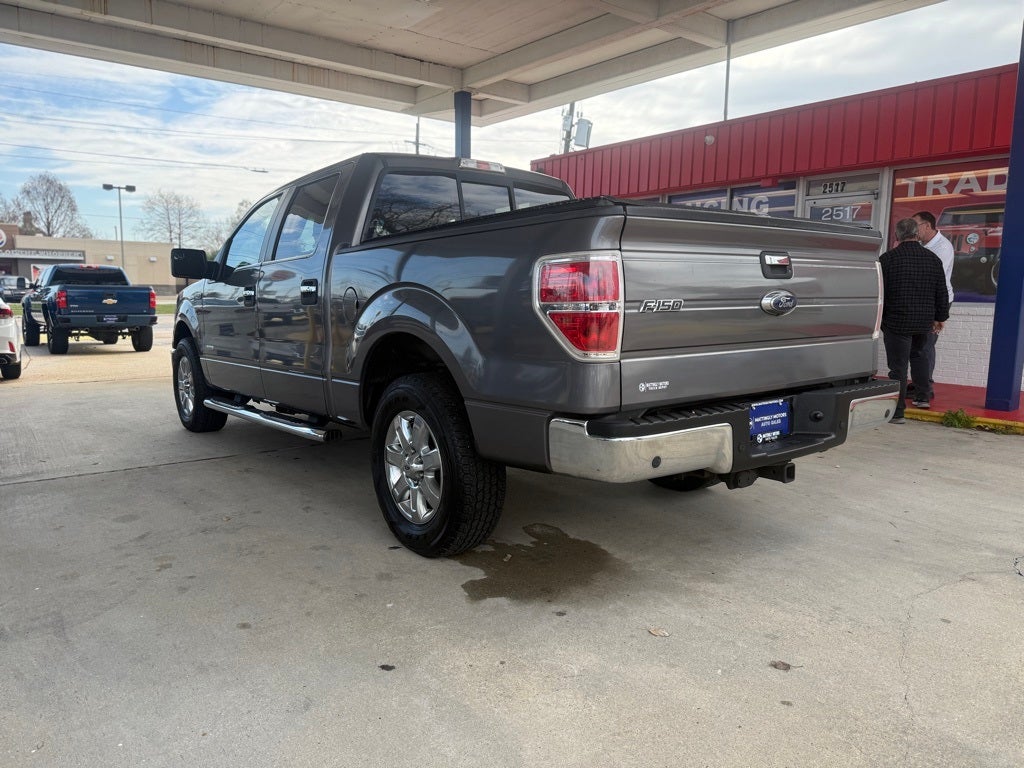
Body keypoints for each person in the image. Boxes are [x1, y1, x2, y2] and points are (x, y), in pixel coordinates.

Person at [879, 218, 950, 423]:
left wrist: (881, 319)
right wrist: (940, 317)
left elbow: (881, 293)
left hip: (897, 322)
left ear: (897, 236)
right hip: (924, 322)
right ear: (917, 234)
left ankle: (898, 412)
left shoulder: (888, 259)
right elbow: (941, 291)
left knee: (898, 368)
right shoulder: (932, 259)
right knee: (920, 358)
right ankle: (922, 397)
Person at [912, 210, 955, 390]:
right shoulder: (923, 245)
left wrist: (938, 314)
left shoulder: (942, 248)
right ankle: (919, 382)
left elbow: (933, 280)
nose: (913, 231)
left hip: (935, 301)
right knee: (918, 346)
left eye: (916, 226)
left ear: (927, 225)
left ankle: (925, 386)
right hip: (923, 301)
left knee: (926, 345)